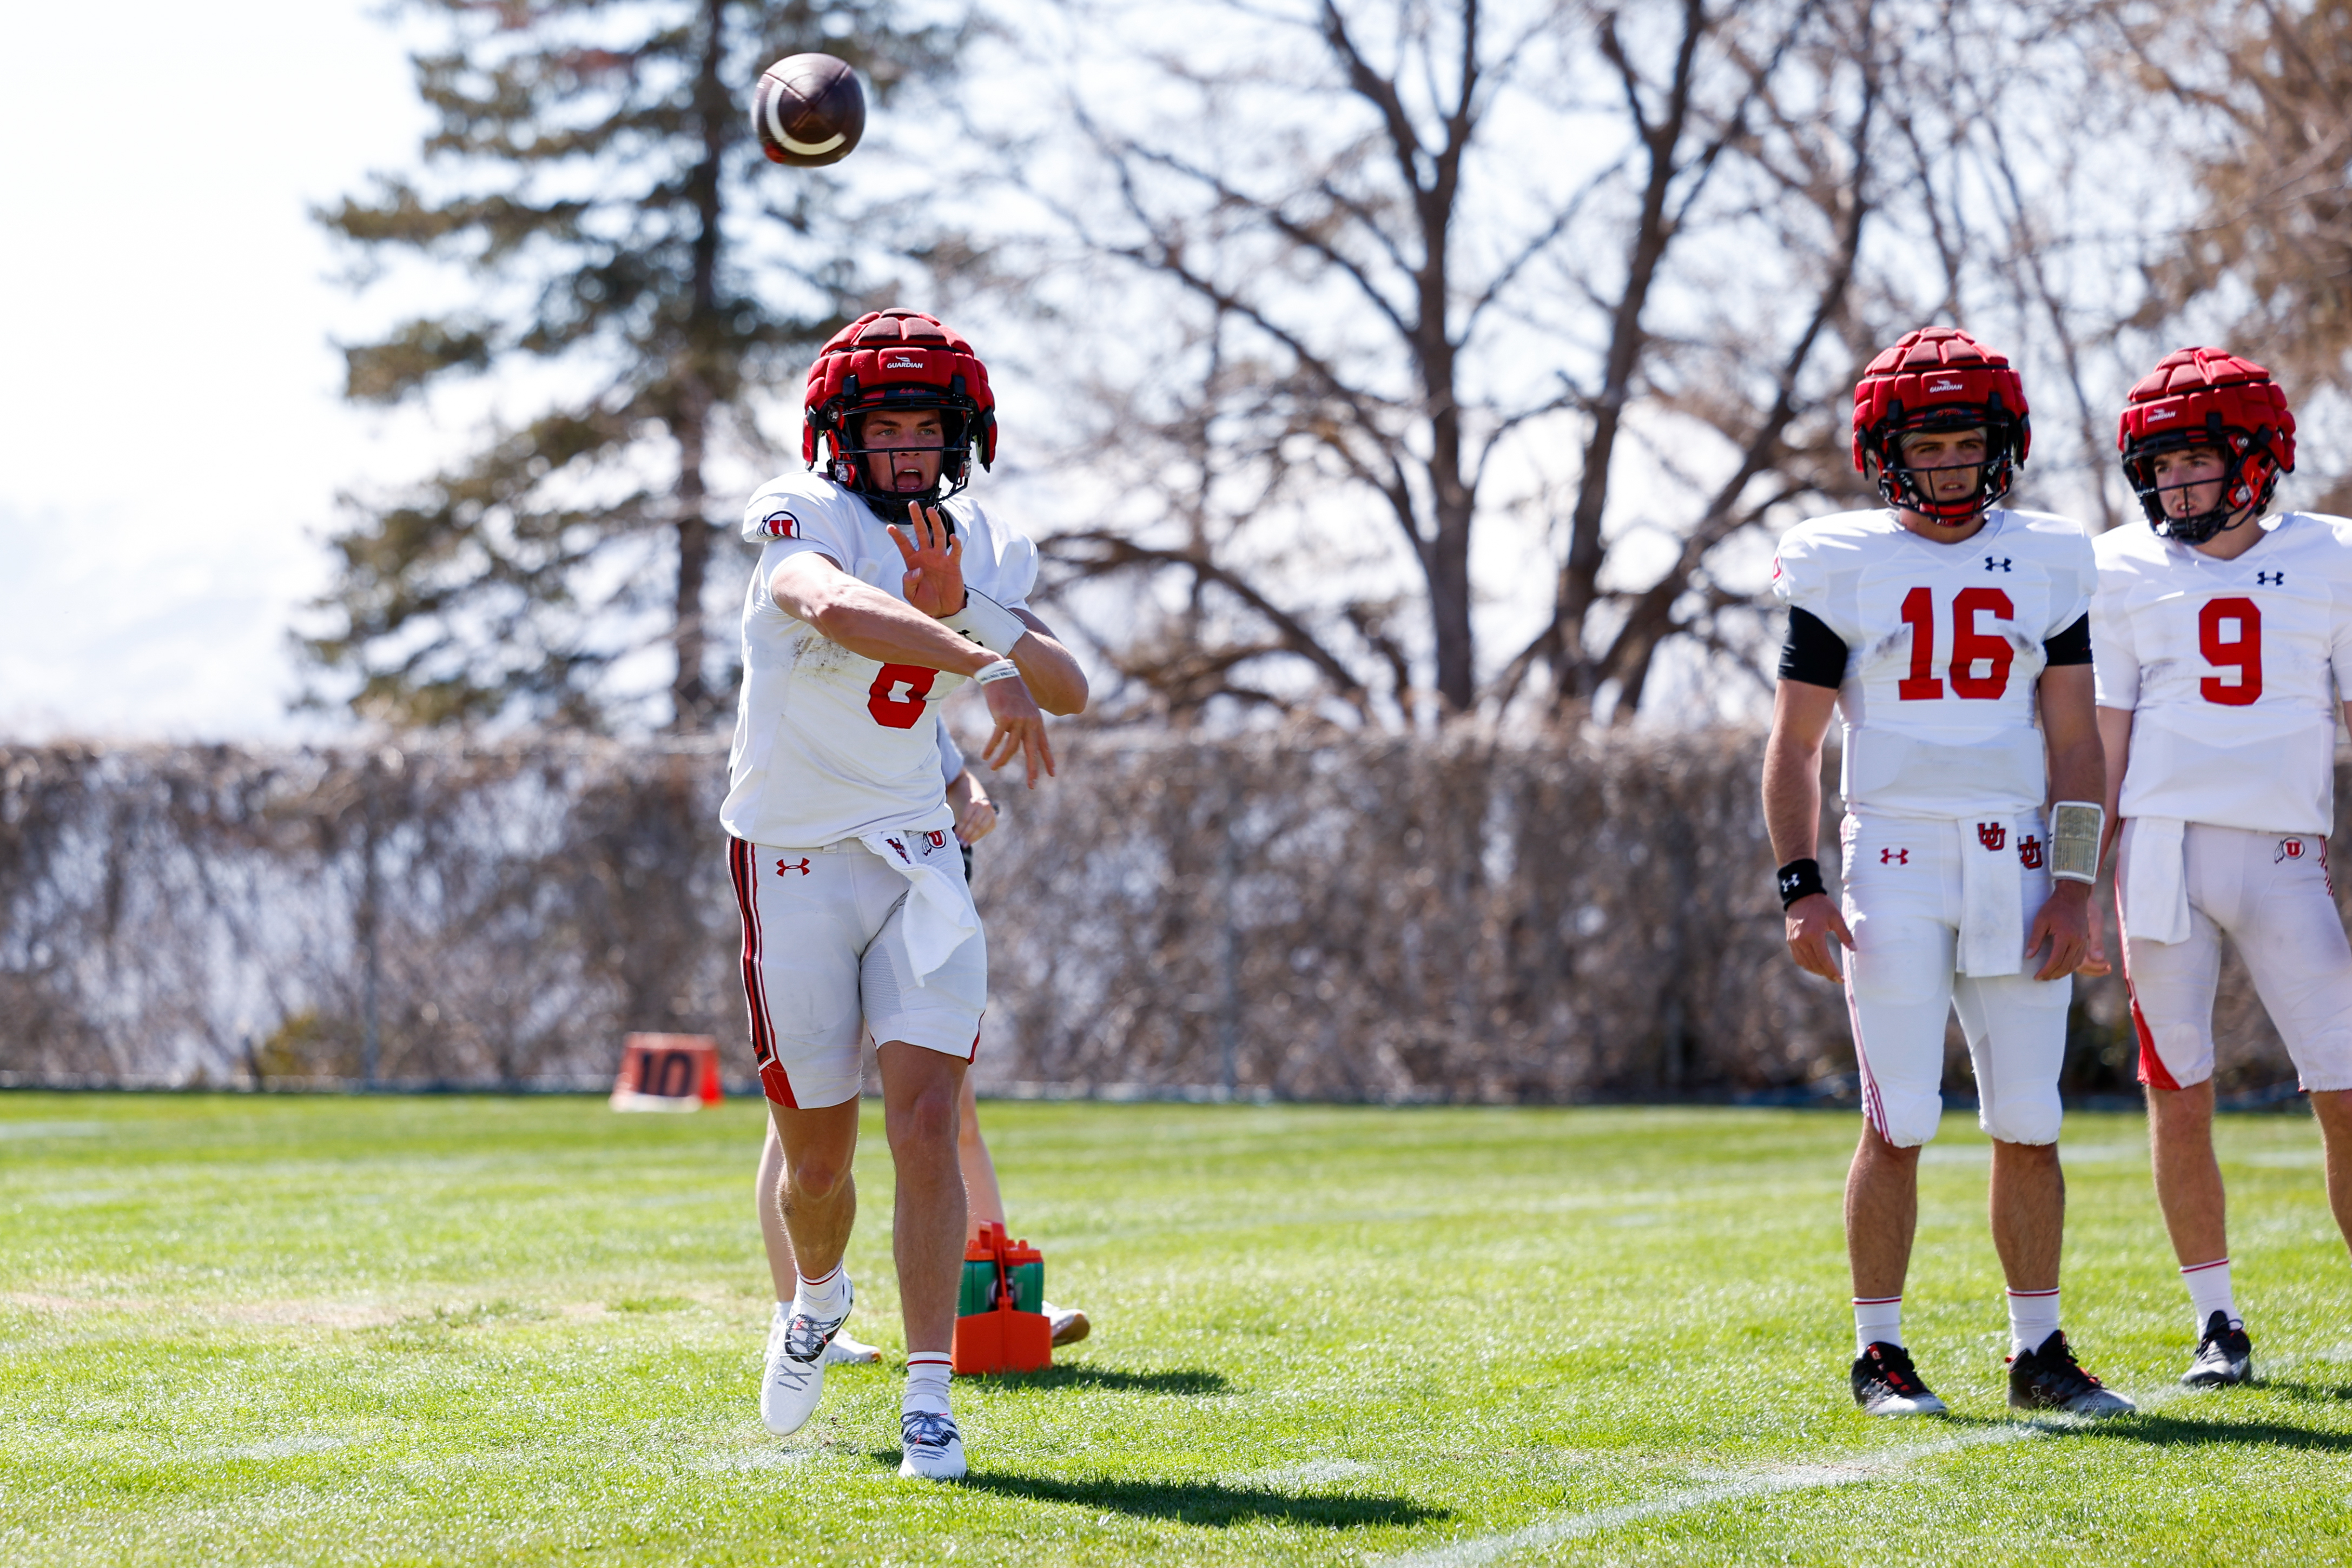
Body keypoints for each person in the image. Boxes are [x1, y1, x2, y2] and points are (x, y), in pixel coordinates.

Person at [724, 307, 1088, 1480]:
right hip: (792, 861)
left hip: (917, 854)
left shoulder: (978, 543)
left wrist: (976, 620)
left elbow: (1070, 685)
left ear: (961, 436)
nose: (903, 451)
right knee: (817, 1166)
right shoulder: (805, 516)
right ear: (840, 435)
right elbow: (830, 606)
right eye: (881, 427)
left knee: (928, 1119)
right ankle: (818, 1297)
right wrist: (970, 656)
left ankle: (931, 1397)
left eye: (924, 427)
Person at [1762, 325, 2132, 1419]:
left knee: (2028, 1113)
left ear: (1999, 443)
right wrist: (1800, 882)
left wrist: (2071, 883)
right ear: (1883, 452)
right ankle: (1878, 1351)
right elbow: (1793, 746)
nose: (1944, 465)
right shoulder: (1839, 558)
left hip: (2016, 856)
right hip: (1893, 855)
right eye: (1922, 446)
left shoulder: (2052, 554)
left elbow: (2074, 743)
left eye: (1962, 441)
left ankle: (2038, 1352)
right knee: (1899, 1117)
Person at [2089, 346, 2352, 1389]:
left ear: (2254, 457)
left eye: (2193, 461)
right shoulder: (2116, 570)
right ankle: (2216, 1321)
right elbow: (2098, 750)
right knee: (2176, 1088)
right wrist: (2072, 879)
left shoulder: (2333, 556)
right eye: (2156, 465)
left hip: (2286, 855)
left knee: (2341, 1087)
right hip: (2157, 853)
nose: (2171, 485)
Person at [753, 725, 1090, 1367]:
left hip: (917, 902)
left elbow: (953, 775)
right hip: (820, 903)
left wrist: (976, 799)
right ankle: (794, 1318)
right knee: (801, 1122)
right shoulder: (806, 680)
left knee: (950, 1113)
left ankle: (996, 1297)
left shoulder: (910, 683)